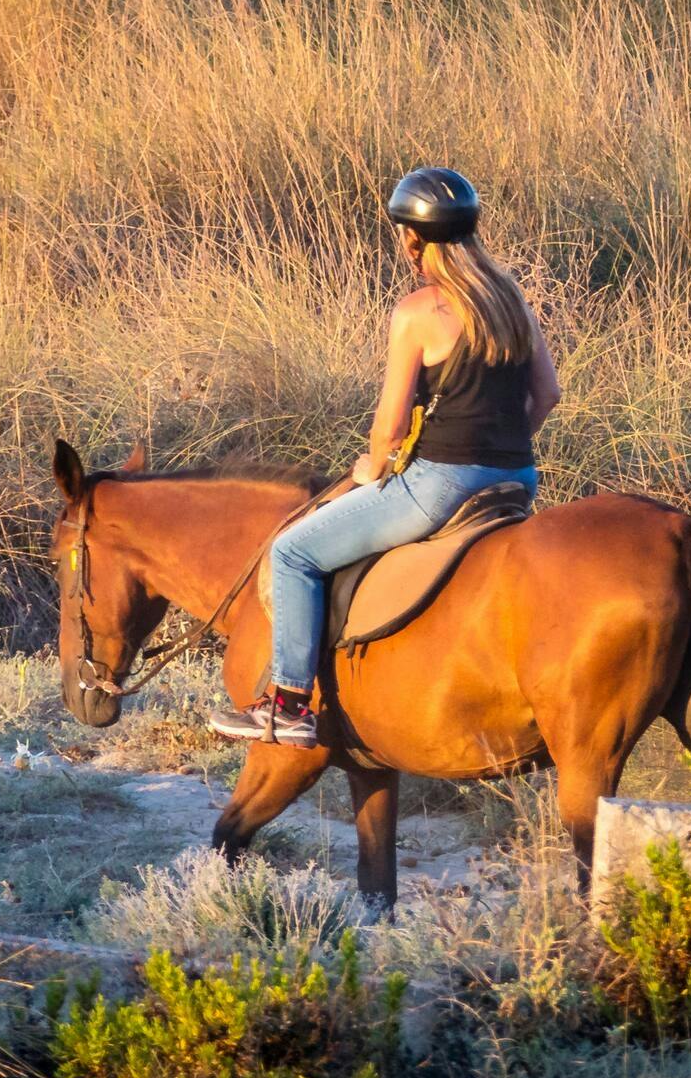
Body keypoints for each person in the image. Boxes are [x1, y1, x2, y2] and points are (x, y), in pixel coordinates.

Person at [219, 167, 558, 747]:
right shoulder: (510, 299)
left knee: (294, 551)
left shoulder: (419, 311)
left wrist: (371, 468)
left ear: (413, 238)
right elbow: (547, 394)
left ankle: (289, 705)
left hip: (439, 485)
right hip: (516, 480)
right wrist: (504, 450)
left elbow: (390, 425)